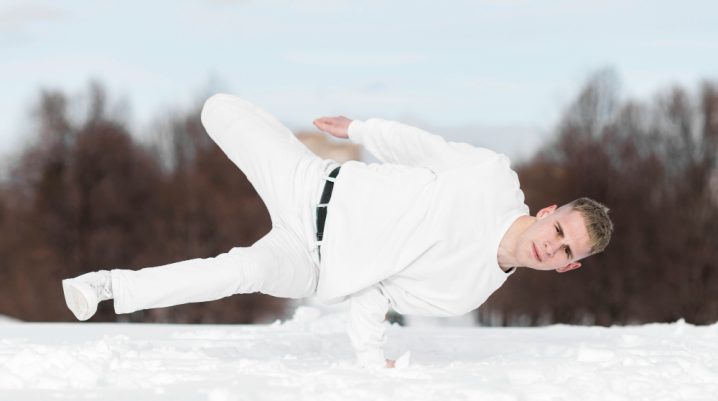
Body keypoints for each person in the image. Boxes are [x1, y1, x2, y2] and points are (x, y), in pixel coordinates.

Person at [62, 94, 613, 369]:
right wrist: (360, 130)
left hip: (309, 263)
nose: (551, 245)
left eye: (565, 251)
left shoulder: (470, 290)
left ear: (567, 267)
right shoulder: (491, 176)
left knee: (233, 272)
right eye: (559, 229)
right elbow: (424, 148)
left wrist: (373, 359)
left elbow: (378, 294)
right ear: (549, 210)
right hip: (309, 182)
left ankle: (104, 286)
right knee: (218, 107)